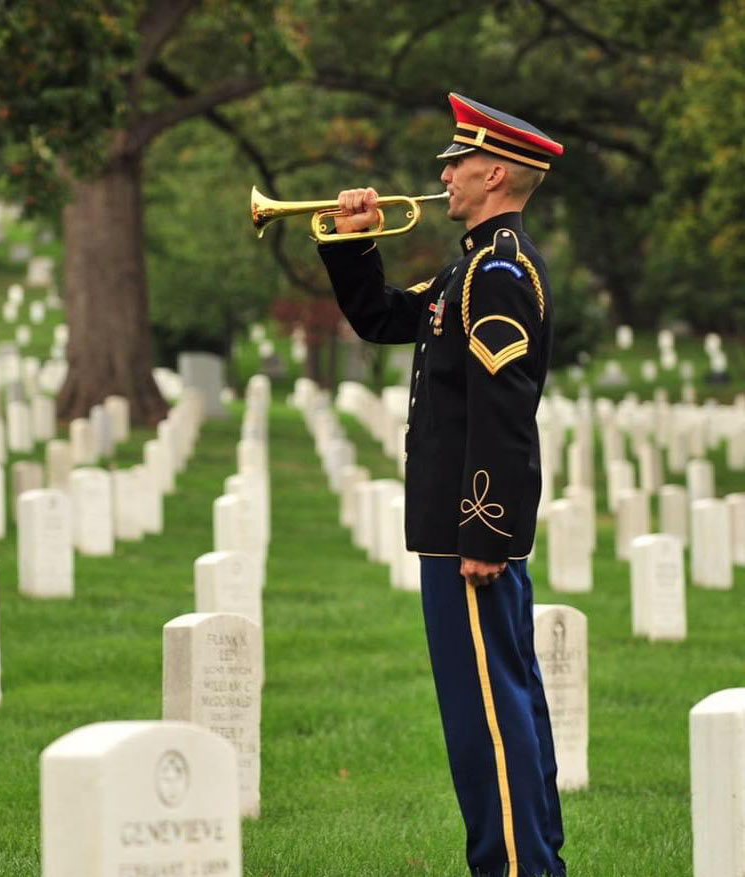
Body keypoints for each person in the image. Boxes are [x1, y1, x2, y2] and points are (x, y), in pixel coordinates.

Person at [317, 93, 567, 877]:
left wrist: (485, 533)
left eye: (456, 163)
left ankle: (516, 868)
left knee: (486, 718)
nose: (445, 176)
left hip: (468, 534)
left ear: (493, 172)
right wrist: (354, 245)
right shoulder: (470, 268)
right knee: (503, 707)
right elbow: (386, 319)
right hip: (454, 529)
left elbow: (503, 411)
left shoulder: (494, 273)